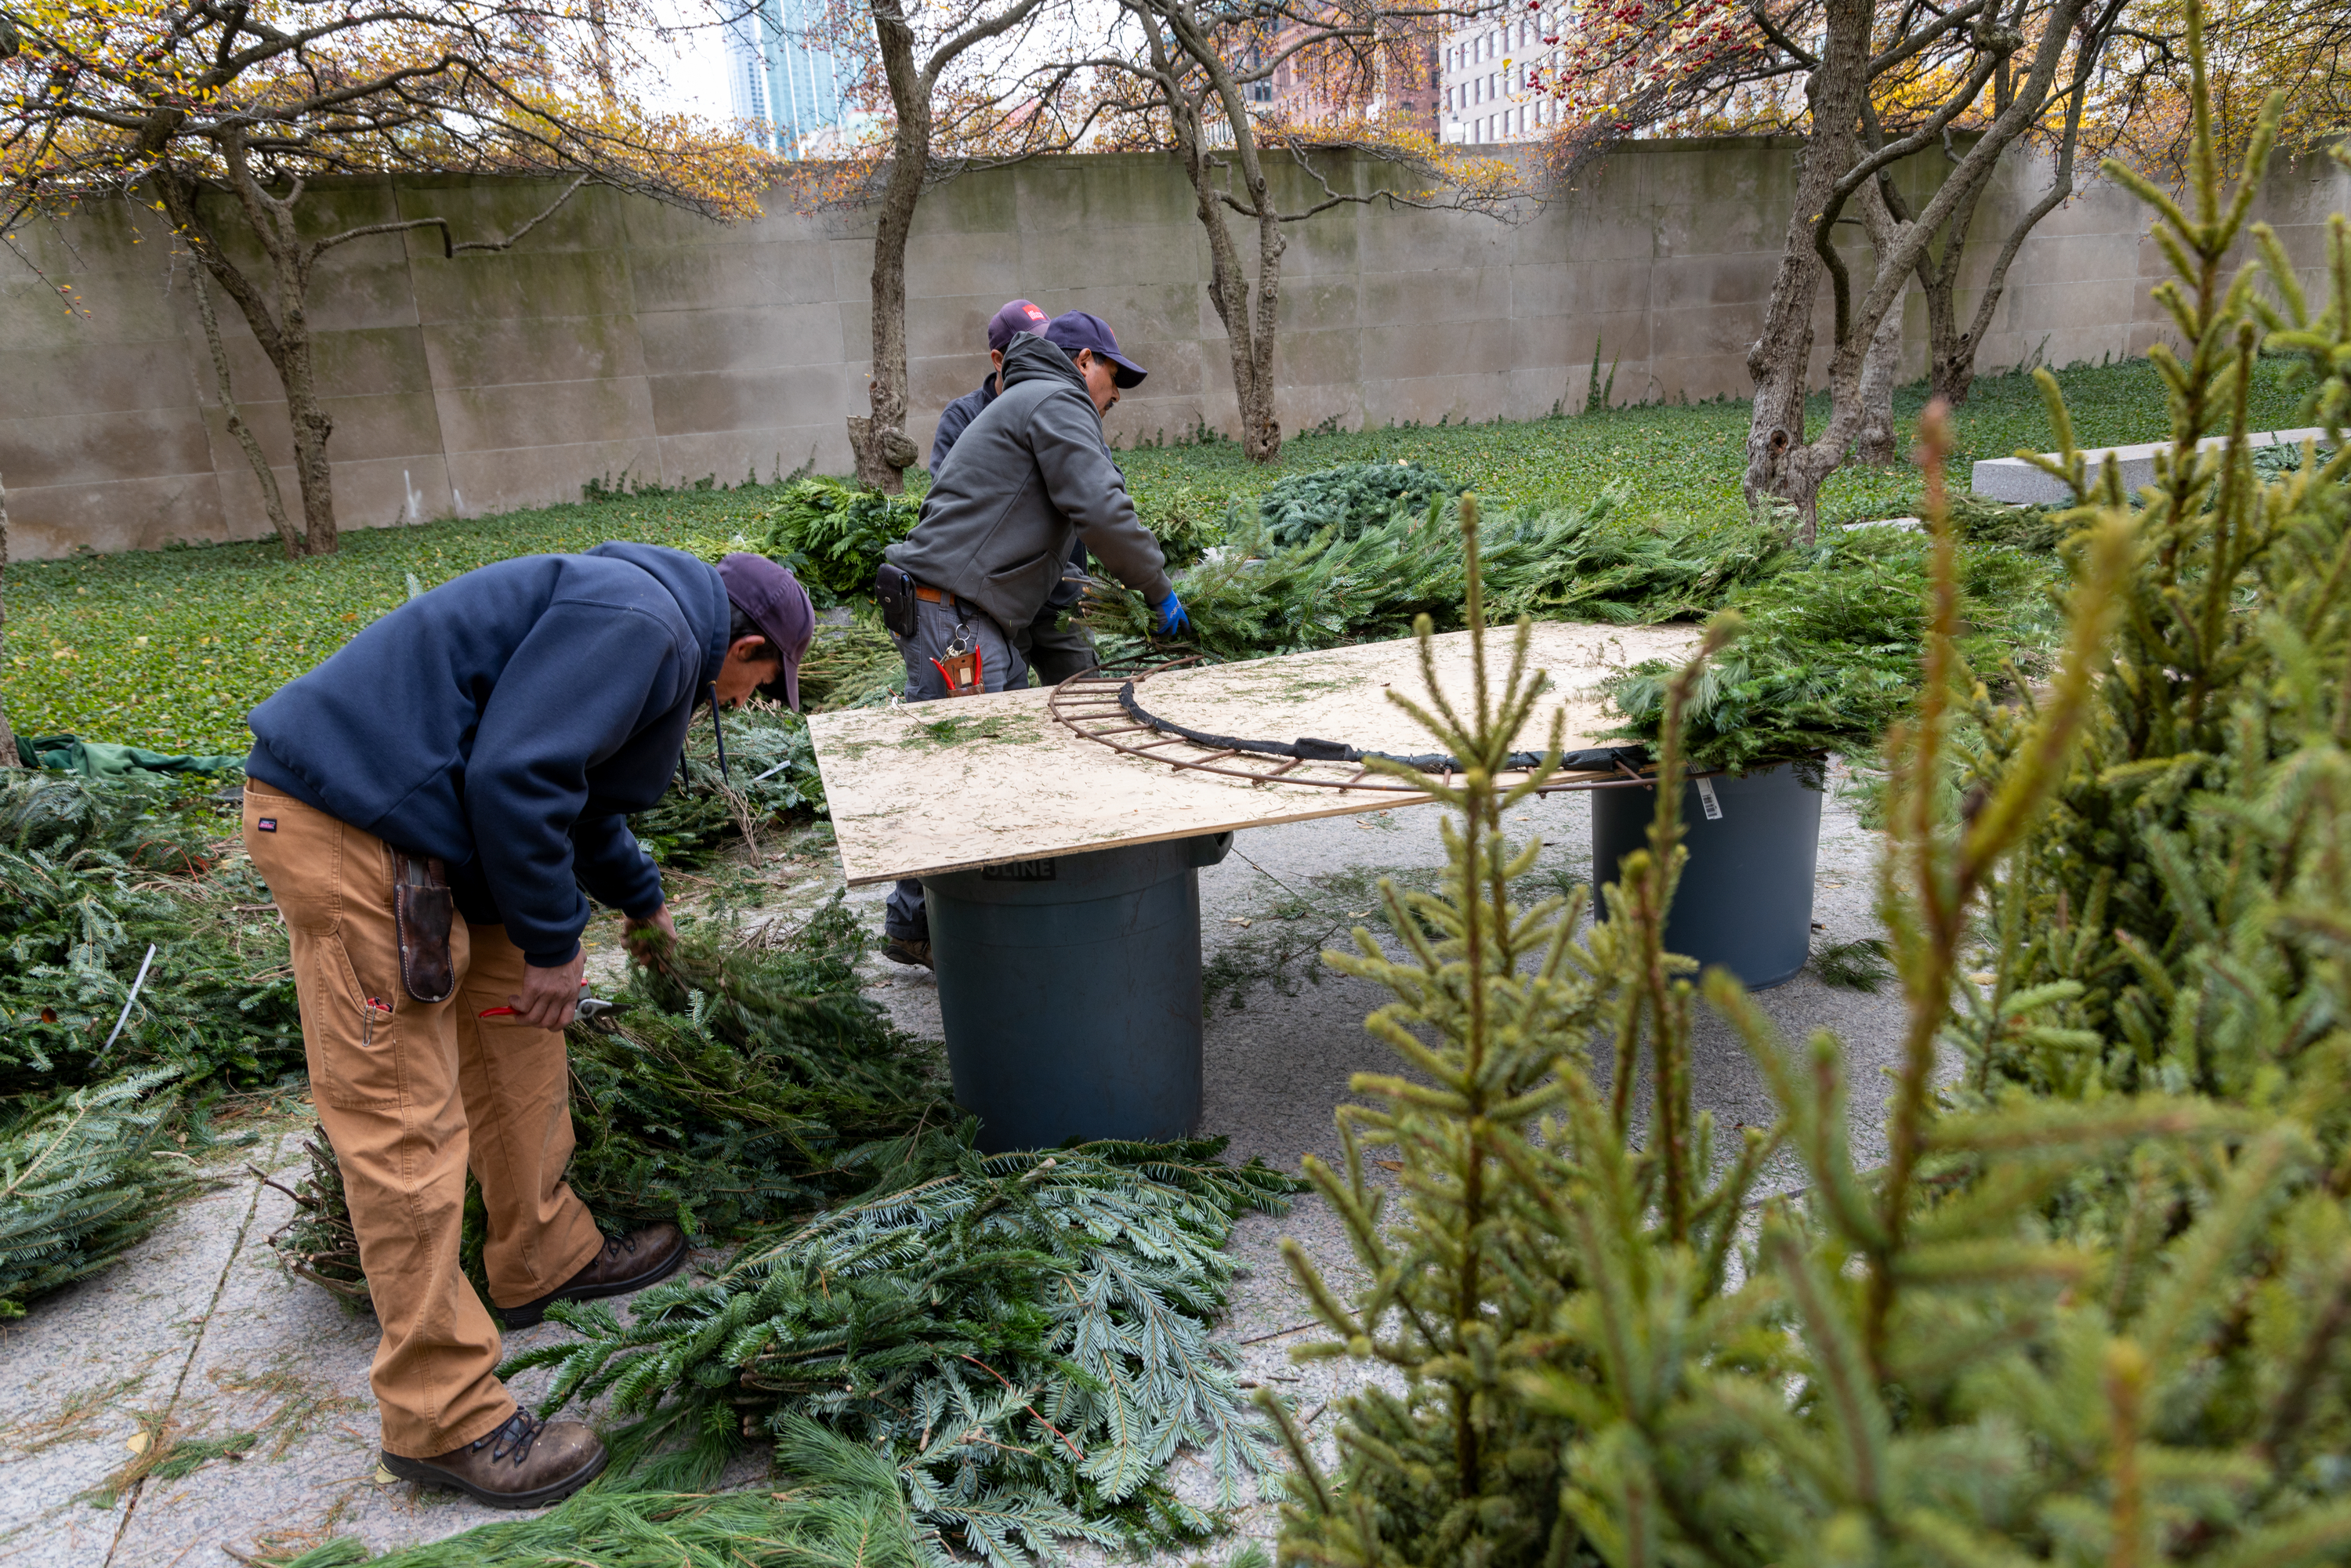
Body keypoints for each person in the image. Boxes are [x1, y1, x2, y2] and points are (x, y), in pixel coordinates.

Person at [241, 545, 813, 1509]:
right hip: (352, 825)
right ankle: (441, 1416)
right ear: (745, 642)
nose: (752, 702)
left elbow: (575, 792)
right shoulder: (648, 626)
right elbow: (520, 776)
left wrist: (638, 900)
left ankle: (541, 1252)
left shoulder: (649, 618)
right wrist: (558, 943)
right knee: (402, 1123)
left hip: (441, 833)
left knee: (518, 1036)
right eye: (763, 682)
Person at [878, 310, 1187, 969]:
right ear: (1081, 362)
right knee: (978, 779)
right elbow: (1101, 508)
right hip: (955, 622)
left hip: (952, 615)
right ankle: (985, 954)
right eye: (1112, 374)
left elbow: (1053, 580)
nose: (1116, 393)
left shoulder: (1025, 399)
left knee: (967, 770)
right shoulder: (1057, 399)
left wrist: (1087, 678)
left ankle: (917, 926)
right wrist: (1157, 589)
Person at [931, 299, 1099, 687]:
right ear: (997, 359)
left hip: (1061, 597)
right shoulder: (963, 418)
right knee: (1008, 710)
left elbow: (1096, 491)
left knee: (1092, 693)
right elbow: (960, 507)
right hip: (998, 604)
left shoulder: (1065, 404)